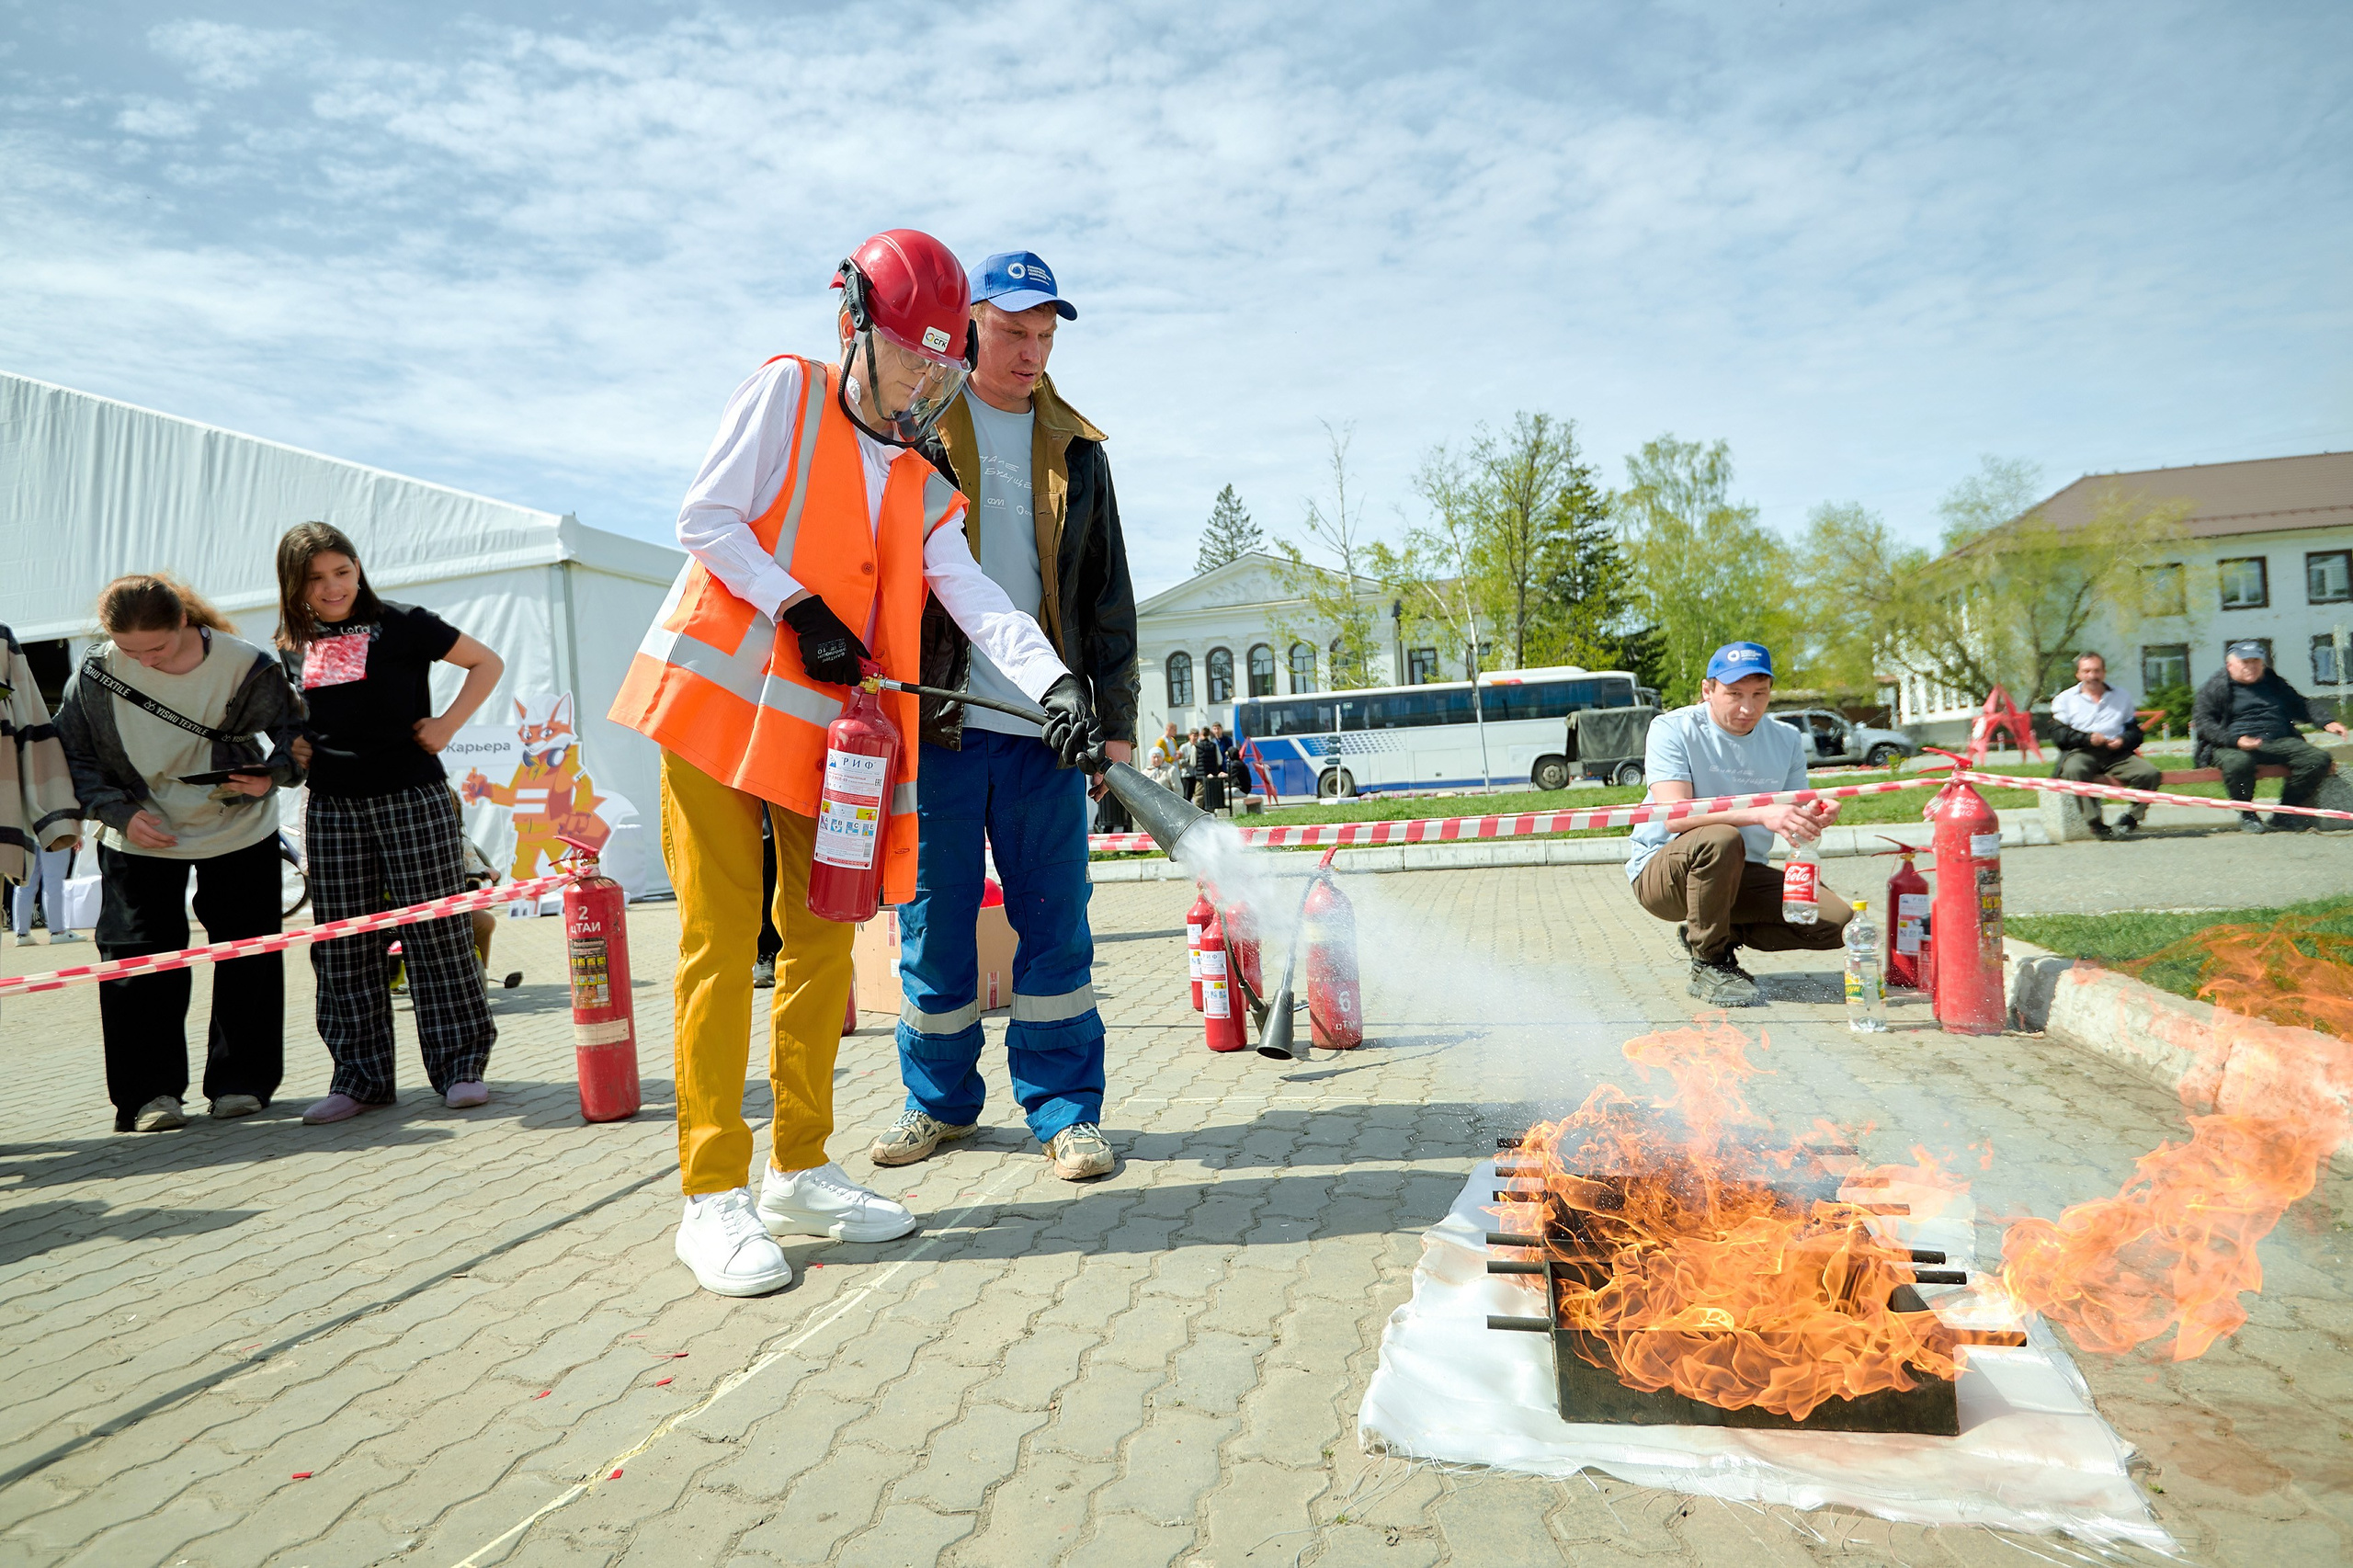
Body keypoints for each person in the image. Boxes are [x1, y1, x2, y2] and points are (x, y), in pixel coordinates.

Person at [609, 229, 1095, 1298]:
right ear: (855, 327)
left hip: (827, 746)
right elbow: (705, 514)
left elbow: (975, 595)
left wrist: (1053, 681)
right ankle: (711, 1195)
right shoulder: (786, 394)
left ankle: (798, 1168)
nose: (926, 382)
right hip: (713, 720)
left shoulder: (918, 476)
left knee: (824, 948)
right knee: (722, 947)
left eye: (942, 365)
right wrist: (798, 605)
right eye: (912, 358)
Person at [875, 248, 1139, 1182]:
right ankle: (936, 1104)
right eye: (1015, 331)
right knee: (933, 922)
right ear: (972, 326)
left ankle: (1065, 1109)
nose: (1032, 351)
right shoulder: (913, 428)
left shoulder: (1079, 448)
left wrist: (1114, 725)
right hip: (938, 722)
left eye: (1045, 334)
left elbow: (1107, 599)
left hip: (1049, 732)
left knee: (1055, 923)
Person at [270, 523, 507, 1122]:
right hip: (331, 807)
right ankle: (360, 1077)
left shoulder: (404, 622)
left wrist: (448, 725)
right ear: (294, 584)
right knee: (343, 944)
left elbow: (486, 662)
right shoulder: (291, 640)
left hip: (411, 795)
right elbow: (309, 714)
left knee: (438, 932)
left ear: (358, 567)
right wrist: (297, 744)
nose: (331, 588)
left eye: (341, 572)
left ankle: (460, 1066)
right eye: (315, 578)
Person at [54, 576, 305, 1131]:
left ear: (186, 624)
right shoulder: (96, 670)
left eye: (158, 648)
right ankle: (149, 1097)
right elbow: (70, 754)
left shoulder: (246, 663)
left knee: (248, 954)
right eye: (130, 650)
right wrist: (118, 813)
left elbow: (298, 732)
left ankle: (242, 1085)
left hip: (238, 828)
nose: (144, 661)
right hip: (137, 836)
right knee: (136, 965)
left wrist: (273, 777)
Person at [1625, 642, 1849, 1006]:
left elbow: (1793, 818)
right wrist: (1760, 813)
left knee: (1836, 923)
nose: (1748, 708)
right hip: (1662, 873)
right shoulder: (1671, 728)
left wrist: (1814, 814)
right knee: (1720, 838)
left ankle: (1709, 932)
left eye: (1759, 694)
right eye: (1734, 694)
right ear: (1707, 690)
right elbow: (1675, 814)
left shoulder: (1786, 739)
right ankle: (1709, 963)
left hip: (1738, 872)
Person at [2191, 641, 2349, 833]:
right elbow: (2204, 723)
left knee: (2317, 759)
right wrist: (2236, 740)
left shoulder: (2273, 683)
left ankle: (2285, 812)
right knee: (2238, 763)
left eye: (2256, 661)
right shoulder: (2215, 688)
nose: (2251, 667)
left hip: (2278, 740)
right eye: (2245, 662)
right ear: (2230, 665)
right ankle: (2247, 813)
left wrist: (2326, 721)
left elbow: (2301, 704)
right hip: (2231, 745)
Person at [4, 620, 81, 941]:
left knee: (25, 879)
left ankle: (21, 933)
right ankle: (57, 930)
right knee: (52, 879)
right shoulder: (49, 744)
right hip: (49, 811)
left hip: (22, 812)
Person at [2050, 653, 2162, 839]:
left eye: (2096, 671)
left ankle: (2131, 819)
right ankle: (2095, 823)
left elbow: (2136, 732)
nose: (2092, 676)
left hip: (2116, 753)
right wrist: (2087, 739)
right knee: (2074, 770)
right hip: (2082, 752)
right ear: (2078, 674)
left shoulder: (2121, 696)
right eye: (2086, 671)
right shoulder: (2065, 699)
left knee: (2150, 774)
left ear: (2104, 672)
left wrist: (2123, 740)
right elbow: (2058, 736)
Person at [1146, 722, 1184, 790]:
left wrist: (1179, 753)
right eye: (1174, 730)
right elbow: (1158, 757)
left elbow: (1176, 751)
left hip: (1175, 768)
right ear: (1169, 729)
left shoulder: (1173, 740)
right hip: (1166, 770)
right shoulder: (1161, 741)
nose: (1176, 732)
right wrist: (1172, 758)